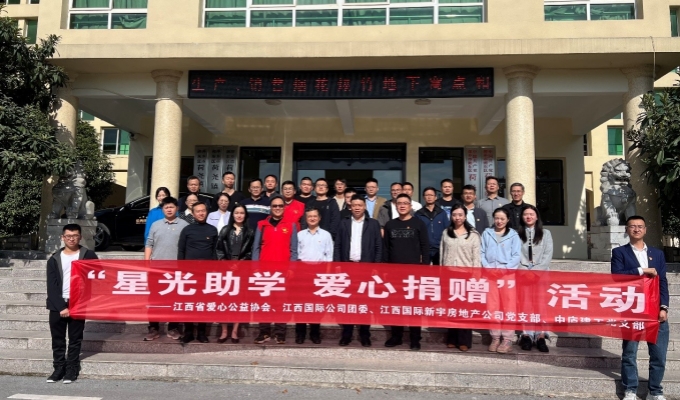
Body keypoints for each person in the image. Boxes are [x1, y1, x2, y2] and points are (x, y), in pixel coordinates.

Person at [612, 216, 669, 400]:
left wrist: (664, 307)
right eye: (632, 226)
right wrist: (641, 270)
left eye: (640, 226)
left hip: (654, 310)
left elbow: (663, 282)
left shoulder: (657, 254)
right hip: (632, 309)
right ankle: (630, 390)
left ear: (645, 230)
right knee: (630, 353)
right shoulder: (619, 252)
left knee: (658, 355)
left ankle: (655, 391)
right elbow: (617, 277)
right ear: (627, 230)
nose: (636, 229)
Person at [46, 223, 98, 384]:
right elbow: (51, 286)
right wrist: (61, 307)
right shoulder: (54, 258)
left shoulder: (88, 255)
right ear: (63, 237)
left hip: (79, 303)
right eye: (68, 236)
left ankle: (71, 369)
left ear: (80, 237)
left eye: (75, 236)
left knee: (75, 339)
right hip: (57, 304)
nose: (71, 239)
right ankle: (58, 368)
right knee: (58, 339)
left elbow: (97, 277)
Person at [334, 194, 382, 347]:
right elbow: (338, 245)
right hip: (348, 267)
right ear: (350, 206)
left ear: (364, 207)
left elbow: (378, 246)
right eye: (354, 205)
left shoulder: (373, 224)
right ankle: (346, 334)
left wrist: (376, 266)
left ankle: (364, 334)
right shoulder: (344, 223)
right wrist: (338, 265)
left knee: (365, 302)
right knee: (347, 301)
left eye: (360, 205)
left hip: (366, 267)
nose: (356, 208)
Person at [383, 194, 430, 350]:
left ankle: (415, 338)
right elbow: (386, 249)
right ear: (395, 206)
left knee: (414, 306)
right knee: (396, 306)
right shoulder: (390, 225)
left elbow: (425, 246)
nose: (402, 206)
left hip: (414, 274)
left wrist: (424, 268)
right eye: (399, 203)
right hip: (394, 273)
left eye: (405, 203)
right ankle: (396, 336)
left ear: (410, 206)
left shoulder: (419, 224)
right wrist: (385, 270)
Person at [252, 195, 299, 344]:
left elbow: (294, 250)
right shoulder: (262, 225)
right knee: (264, 302)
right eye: (274, 206)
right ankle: (264, 332)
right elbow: (256, 247)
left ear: (284, 208)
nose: (277, 208)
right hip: (264, 271)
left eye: (280, 206)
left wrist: (292, 268)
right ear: (270, 208)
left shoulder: (291, 225)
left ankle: (280, 333)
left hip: (283, 271)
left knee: (280, 303)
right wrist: (255, 267)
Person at [144, 197, 189, 342]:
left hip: (176, 269)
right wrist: (146, 263)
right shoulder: (156, 225)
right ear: (162, 209)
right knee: (154, 299)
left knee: (175, 299)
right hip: (157, 268)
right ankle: (153, 328)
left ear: (177, 208)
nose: (169, 209)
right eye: (166, 207)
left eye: (172, 207)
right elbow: (149, 244)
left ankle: (173, 327)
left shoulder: (184, 225)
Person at [440, 203, 481, 352]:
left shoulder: (473, 234)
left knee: (465, 309)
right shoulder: (446, 232)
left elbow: (476, 257)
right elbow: (442, 254)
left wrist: (476, 277)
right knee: (451, 308)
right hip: (449, 273)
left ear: (465, 216)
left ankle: (464, 341)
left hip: (466, 275)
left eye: (460, 215)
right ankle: (452, 338)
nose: (457, 218)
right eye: (454, 215)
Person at [481, 208, 521, 354]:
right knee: (492, 306)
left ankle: (507, 339)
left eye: (502, 219)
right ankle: (495, 337)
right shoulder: (487, 233)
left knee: (508, 306)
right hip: (490, 274)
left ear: (508, 220)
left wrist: (504, 269)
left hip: (507, 275)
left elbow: (516, 255)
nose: (499, 221)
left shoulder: (513, 235)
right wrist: (488, 268)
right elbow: (481, 252)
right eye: (497, 218)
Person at [178, 202, 218, 344]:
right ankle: (188, 332)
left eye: (203, 211)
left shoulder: (213, 230)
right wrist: (181, 271)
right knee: (188, 303)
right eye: (198, 211)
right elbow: (181, 250)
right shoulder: (187, 230)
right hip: (189, 274)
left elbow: (215, 252)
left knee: (203, 303)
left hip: (206, 274)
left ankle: (201, 332)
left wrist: (214, 271)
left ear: (206, 212)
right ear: (193, 214)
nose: (201, 213)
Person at [215, 204, 255, 344]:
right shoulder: (225, 230)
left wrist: (240, 263)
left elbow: (251, 251)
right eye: (236, 213)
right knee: (224, 300)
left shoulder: (250, 232)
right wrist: (227, 264)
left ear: (245, 215)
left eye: (242, 213)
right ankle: (224, 331)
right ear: (232, 215)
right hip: (225, 269)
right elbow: (219, 250)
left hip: (242, 269)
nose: (239, 215)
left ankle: (235, 331)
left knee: (239, 300)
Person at [516, 204, 553, 353]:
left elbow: (548, 254)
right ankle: (527, 335)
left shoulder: (546, 233)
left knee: (540, 304)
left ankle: (541, 335)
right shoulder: (516, 234)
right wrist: (525, 270)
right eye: (526, 214)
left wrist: (536, 271)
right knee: (525, 304)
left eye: (531, 214)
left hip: (541, 273)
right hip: (523, 272)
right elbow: (516, 254)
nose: (529, 216)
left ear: (537, 217)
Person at [295, 207, 333, 344]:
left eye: (314, 216)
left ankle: (315, 333)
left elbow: (329, 256)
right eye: (309, 216)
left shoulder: (326, 235)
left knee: (317, 304)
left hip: (319, 270)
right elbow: (296, 253)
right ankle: (300, 333)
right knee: (301, 303)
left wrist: (327, 274)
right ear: (306, 219)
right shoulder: (300, 235)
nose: (312, 218)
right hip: (303, 270)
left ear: (319, 218)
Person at [415, 186, 450, 265]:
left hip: (439, 248)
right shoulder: (418, 214)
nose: (429, 197)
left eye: (431, 195)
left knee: (439, 270)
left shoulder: (442, 213)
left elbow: (446, 230)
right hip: (425, 249)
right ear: (423, 197)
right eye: (427, 195)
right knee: (424, 270)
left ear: (435, 197)